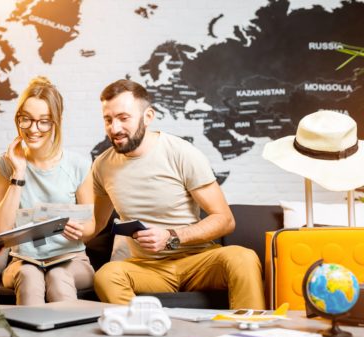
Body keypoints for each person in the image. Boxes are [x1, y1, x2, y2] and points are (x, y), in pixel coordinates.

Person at [91, 79, 265, 309]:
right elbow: (96, 223)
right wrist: (58, 230)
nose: (114, 128)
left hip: (197, 261)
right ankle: (144, 328)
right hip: (148, 269)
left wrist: (171, 235)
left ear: (148, 116)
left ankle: (253, 334)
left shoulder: (181, 152)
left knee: (243, 257)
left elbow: (225, 220)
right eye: (108, 119)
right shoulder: (102, 166)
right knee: (107, 275)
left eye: (124, 118)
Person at [0, 77, 95, 305]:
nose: (33, 129)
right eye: (25, 119)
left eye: (43, 121)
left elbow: (91, 225)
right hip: (23, 261)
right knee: (29, 276)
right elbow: (0, 228)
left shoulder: (78, 165)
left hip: (71, 259)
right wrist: (18, 173)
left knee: (58, 276)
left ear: (56, 122)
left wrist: (78, 229)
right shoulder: (5, 165)